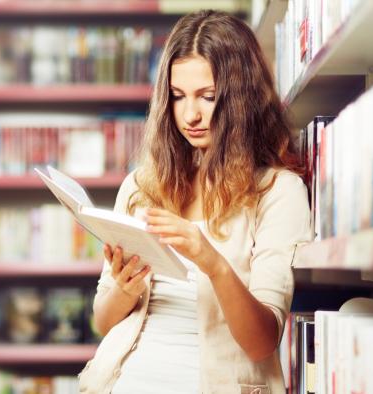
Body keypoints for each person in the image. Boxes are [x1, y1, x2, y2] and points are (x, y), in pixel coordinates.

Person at [78, 10, 312, 394]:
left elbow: (261, 342)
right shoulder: (141, 187)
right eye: (177, 96)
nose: (190, 115)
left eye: (208, 97)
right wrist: (125, 287)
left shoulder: (277, 191)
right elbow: (103, 322)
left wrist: (212, 262)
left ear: (241, 99)